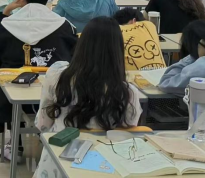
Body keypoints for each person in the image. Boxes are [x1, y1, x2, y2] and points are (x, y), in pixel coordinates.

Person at [0, 0, 78, 161]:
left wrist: (5, 12)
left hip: (14, 89)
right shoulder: (63, 25)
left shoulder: (9, 23)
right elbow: (73, 52)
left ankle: (14, 142)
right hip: (56, 89)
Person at [33, 17, 143, 178]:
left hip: (57, 162)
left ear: (81, 44)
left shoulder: (57, 77)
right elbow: (127, 133)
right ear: (118, 50)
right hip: (103, 166)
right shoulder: (127, 92)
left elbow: (42, 125)